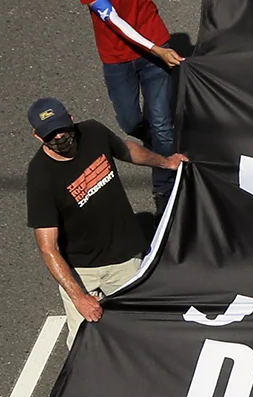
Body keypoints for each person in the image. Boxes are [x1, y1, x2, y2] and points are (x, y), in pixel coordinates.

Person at [67, 0, 225, 209]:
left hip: (155, 48)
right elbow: (111, 18)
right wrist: (155, 49)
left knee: (162, 123)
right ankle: (160, 146)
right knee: (131, 123)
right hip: (118, 57)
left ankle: (165, 190)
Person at [26, 97, 185, 342]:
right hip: (82, 271)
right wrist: (79, 297)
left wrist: (167, 162)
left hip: (125, 259)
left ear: (71, 120)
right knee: (83, 341)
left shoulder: (93, 132)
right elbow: (48, 247)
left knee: (141, 329)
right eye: (50, 135)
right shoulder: (41, 177)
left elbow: (127, 150)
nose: (59, 137)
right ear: (38, 137)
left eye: (61, 129)